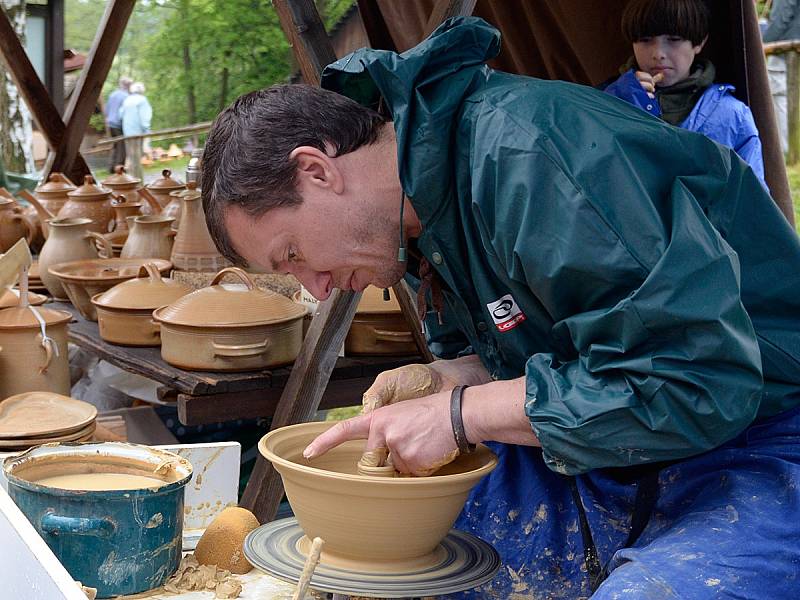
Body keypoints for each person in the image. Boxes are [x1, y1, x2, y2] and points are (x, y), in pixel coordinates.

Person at [201, 17, 800, 599]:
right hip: (620, 439)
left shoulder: (530, 157)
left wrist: (460, 413)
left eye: (294, 253)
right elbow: (573, 350)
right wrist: (447, 377)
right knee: (403, 561)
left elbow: (697, 380)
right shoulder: (415, 222)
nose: (318, 288)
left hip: (763, 434)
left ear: (317, 170)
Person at [603, 0, 767, 186]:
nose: (658, 53)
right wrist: (616, 104)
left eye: (673, 39)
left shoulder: (731, 115)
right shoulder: (604, 101)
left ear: (699, 42)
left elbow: (753, 200)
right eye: (645, 40)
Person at [762, 0, 800, 153]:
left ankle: (784, 148)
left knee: (779, 97)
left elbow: (781, 17)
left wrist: (762, 44)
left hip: (784, 49)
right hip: (792, 47)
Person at [118, 81, 152, 180]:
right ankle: (138, 180)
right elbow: (145, 118)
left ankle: (131, 179)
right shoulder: (142, 100)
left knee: (131, 156)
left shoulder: (127, 100)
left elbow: (120, 115)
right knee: (137, 158)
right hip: (138, 132)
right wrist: (147, 130)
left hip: (127, 131)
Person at [104, 76, 131, 172]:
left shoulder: (112, 94)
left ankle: (111, 167)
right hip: (119, 124)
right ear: (127, 85)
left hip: (110, 123)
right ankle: (119, 168)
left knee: (115, 145)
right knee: (122, 146)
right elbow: (124, 112)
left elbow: (106, 109)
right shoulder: (126, 96)